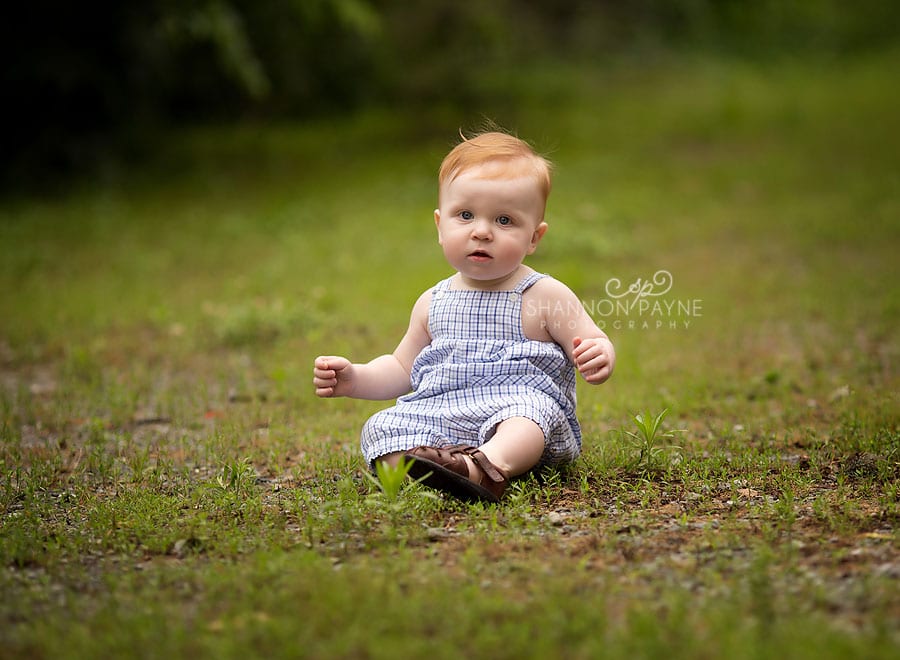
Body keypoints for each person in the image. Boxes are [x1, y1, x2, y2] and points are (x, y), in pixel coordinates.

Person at [313, 130, 615, 503]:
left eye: (504, 220)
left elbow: (591, 338)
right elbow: (400, 366)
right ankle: (431, 468)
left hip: (514, 410)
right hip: (444, 411)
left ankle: (486, 469)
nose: (482, 232)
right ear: (440, 225)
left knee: (529, 415)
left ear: (534, 237)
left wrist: (599, 353)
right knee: (381, 427)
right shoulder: (432, 302)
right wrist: (355, 378)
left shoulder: (545, 295)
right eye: (466, 215)